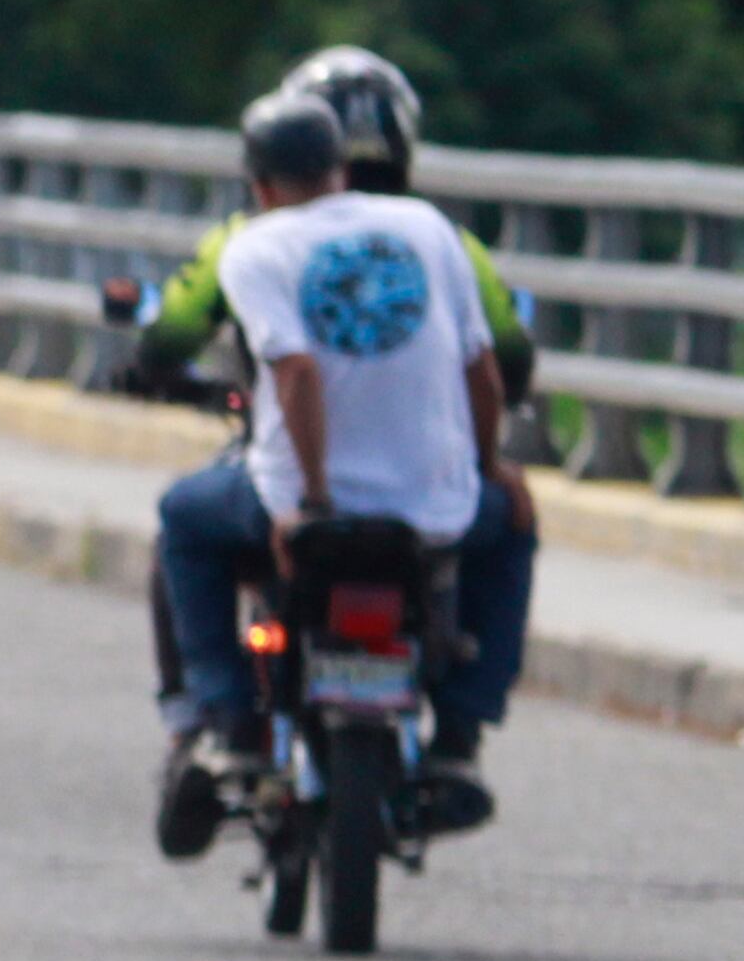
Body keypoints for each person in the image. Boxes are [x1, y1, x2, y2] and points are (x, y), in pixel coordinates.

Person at [131, 45, 536, 837]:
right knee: (512, 525)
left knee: (183, 518)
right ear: (341, 168)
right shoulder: (434, 232)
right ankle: (461, 731)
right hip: (434, 504)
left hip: (299, 498)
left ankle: (224, 721)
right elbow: (490, 368)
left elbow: (291, 372)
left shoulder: (249, 242)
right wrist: (491, 467)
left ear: (258, 185)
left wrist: (311, 503)